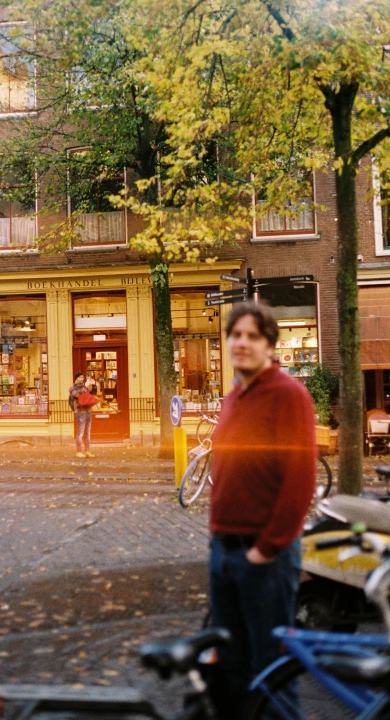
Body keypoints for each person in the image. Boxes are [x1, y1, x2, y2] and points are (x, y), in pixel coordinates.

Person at [208, 301, 316, 720]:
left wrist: (266, 549)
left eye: (253, 336)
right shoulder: (234, 397)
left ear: (271, 345)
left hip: (263, 557)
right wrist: (217, 538)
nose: (242, 343)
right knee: (232, 669)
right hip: (224, 552)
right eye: (235, 334)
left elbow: (299, 482)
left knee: (271, 674)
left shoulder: (288, 395)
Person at [68, 372, 95, 459]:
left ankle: (87, 451)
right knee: (81, 432)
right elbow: (78, 395)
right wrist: (86, 387)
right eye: (80, 377)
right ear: (76, 378)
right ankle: (79, 451)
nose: (82, 379)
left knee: (87, 433)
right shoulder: (72, 388)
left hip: (88, 411)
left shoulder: (84, 387)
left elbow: (92, 394)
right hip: (79, 412)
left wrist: (94, 385)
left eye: (83, 377)